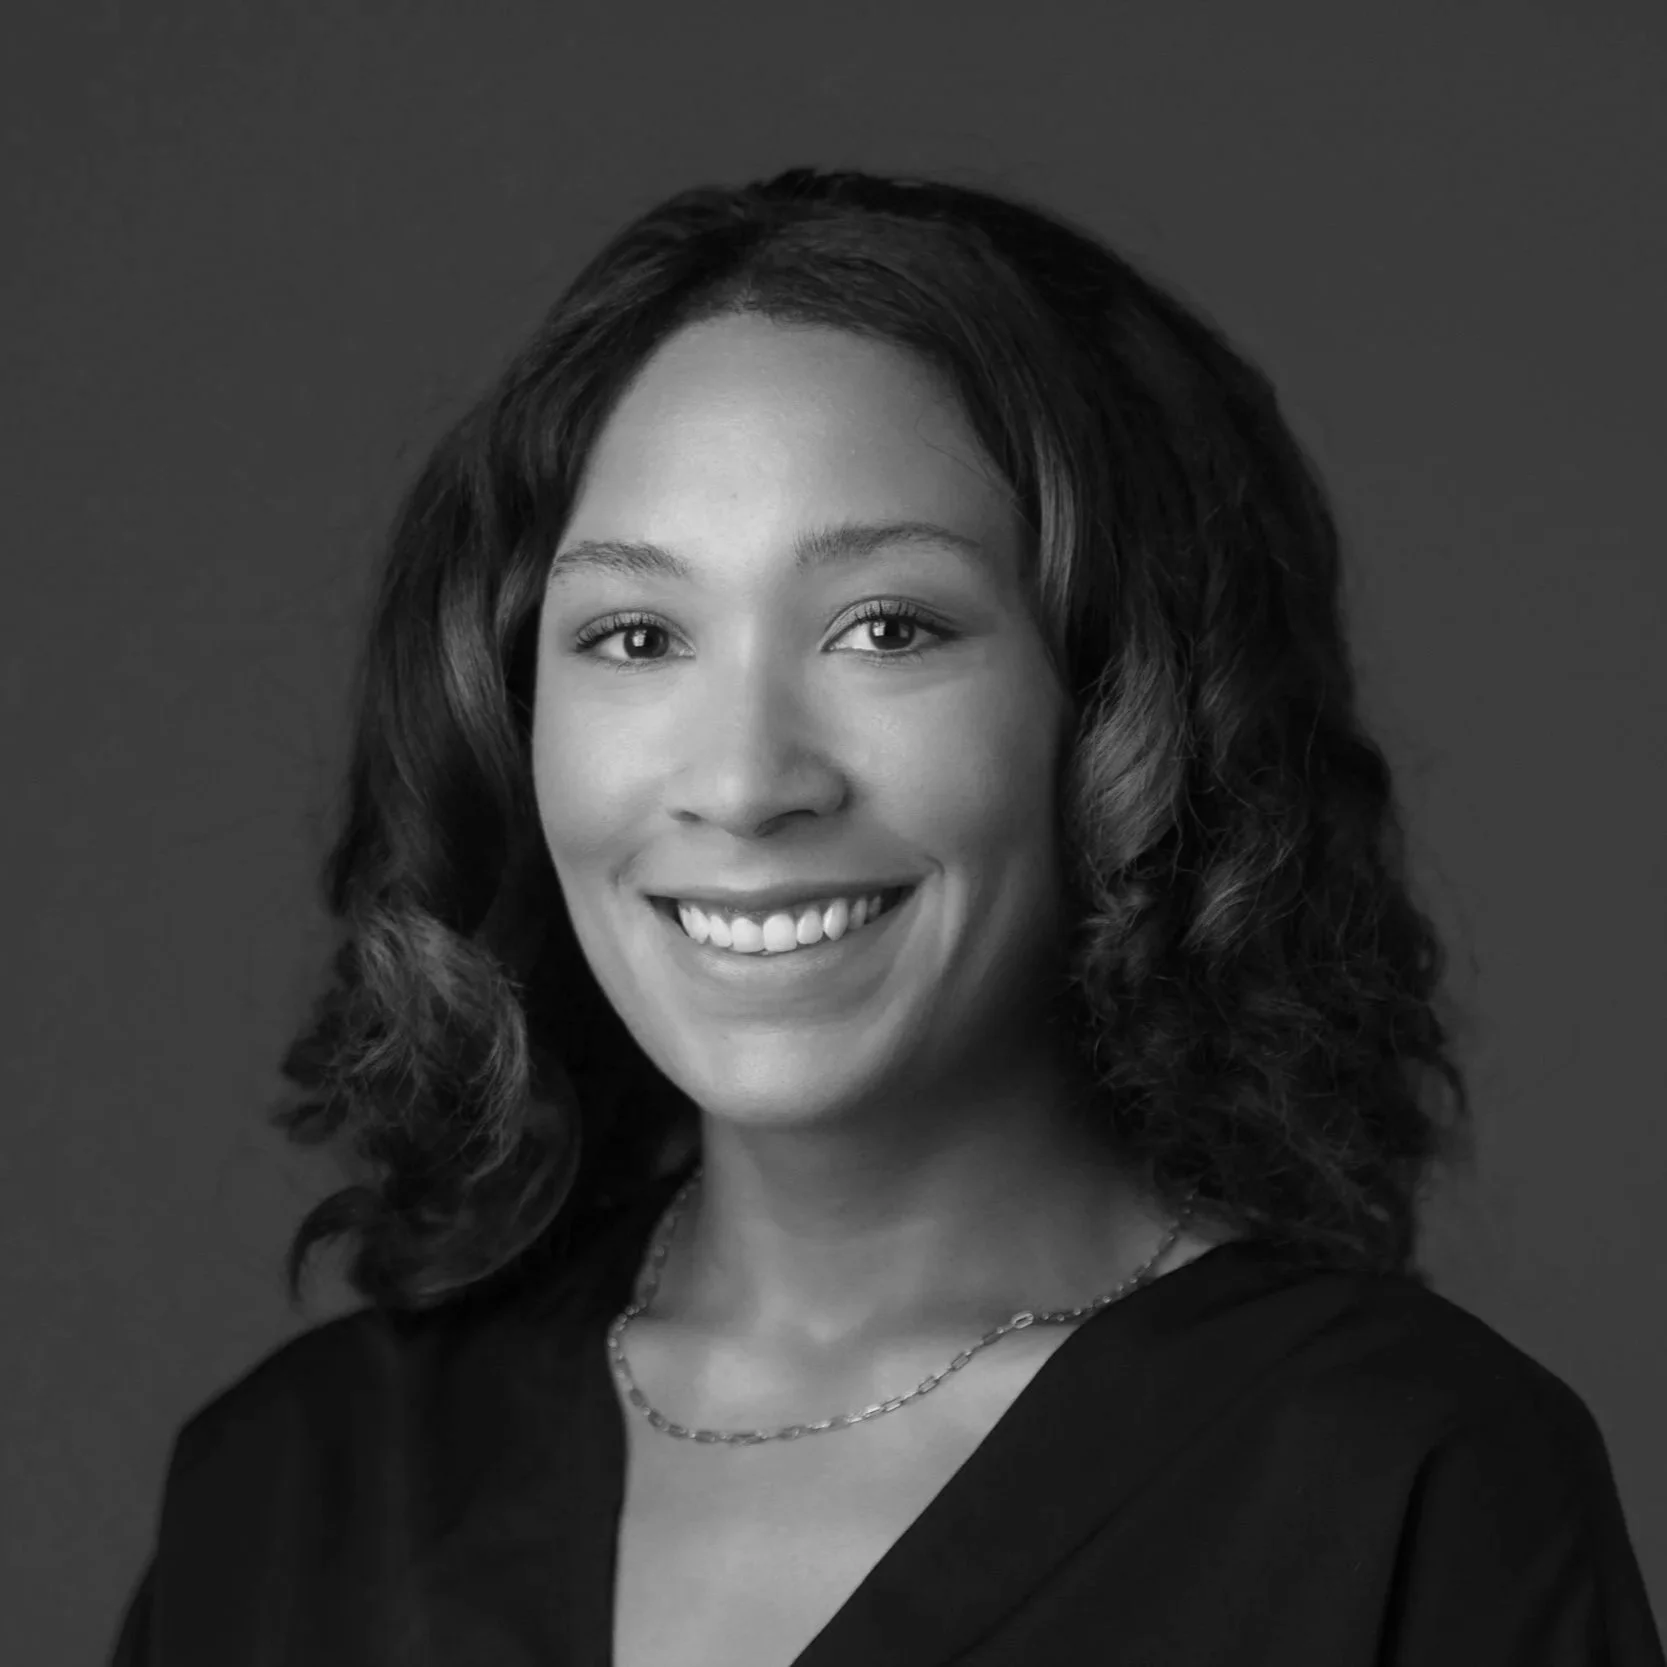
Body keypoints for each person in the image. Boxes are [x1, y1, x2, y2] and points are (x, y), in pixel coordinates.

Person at [109, 167, 1663, 1666]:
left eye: (887, 627)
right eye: (636, 634)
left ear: (1122, 705)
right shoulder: (293, 1487)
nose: (744, 780)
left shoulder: (1401, 1483)